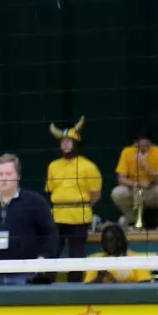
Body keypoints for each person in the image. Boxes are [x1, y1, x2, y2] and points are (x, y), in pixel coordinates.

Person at [0, 154, 59, 286]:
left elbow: (51, 234)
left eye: (8, 174)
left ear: (18, 176)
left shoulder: (35, 202)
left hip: (26, 276)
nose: (4, 178)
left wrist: (42, 262)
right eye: (0, 174)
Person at [43, 119, 99, 282]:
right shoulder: (53, 166)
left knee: (76, 253)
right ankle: (46, 283)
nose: (66, 144)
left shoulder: (88, 166)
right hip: (58, 215)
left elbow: (95, 194)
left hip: (79, 216)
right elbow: (51, 189)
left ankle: (74, 286)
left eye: (69, 141)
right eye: (63, 141)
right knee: (52, 250)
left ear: (76, 143)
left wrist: (81, 205)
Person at [111, 128, 158, 229]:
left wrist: (146, 165)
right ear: (134, 143)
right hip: (135, 190)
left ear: (150, 142)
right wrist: (137, 184)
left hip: (152, 190)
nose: (143, 148)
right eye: (140, 146)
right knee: (117, 192)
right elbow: (121, 179)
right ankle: (132, 223)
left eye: (146, 146)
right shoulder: (127, 152)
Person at [83, 224, 153, 284]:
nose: (105, 244)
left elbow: (145, 282)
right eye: (104, 241)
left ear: (119, 242)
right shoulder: (95, 259)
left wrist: (115, 284)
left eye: (109, 241)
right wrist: (99, 278)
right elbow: (86, 289)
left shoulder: (135, 258)